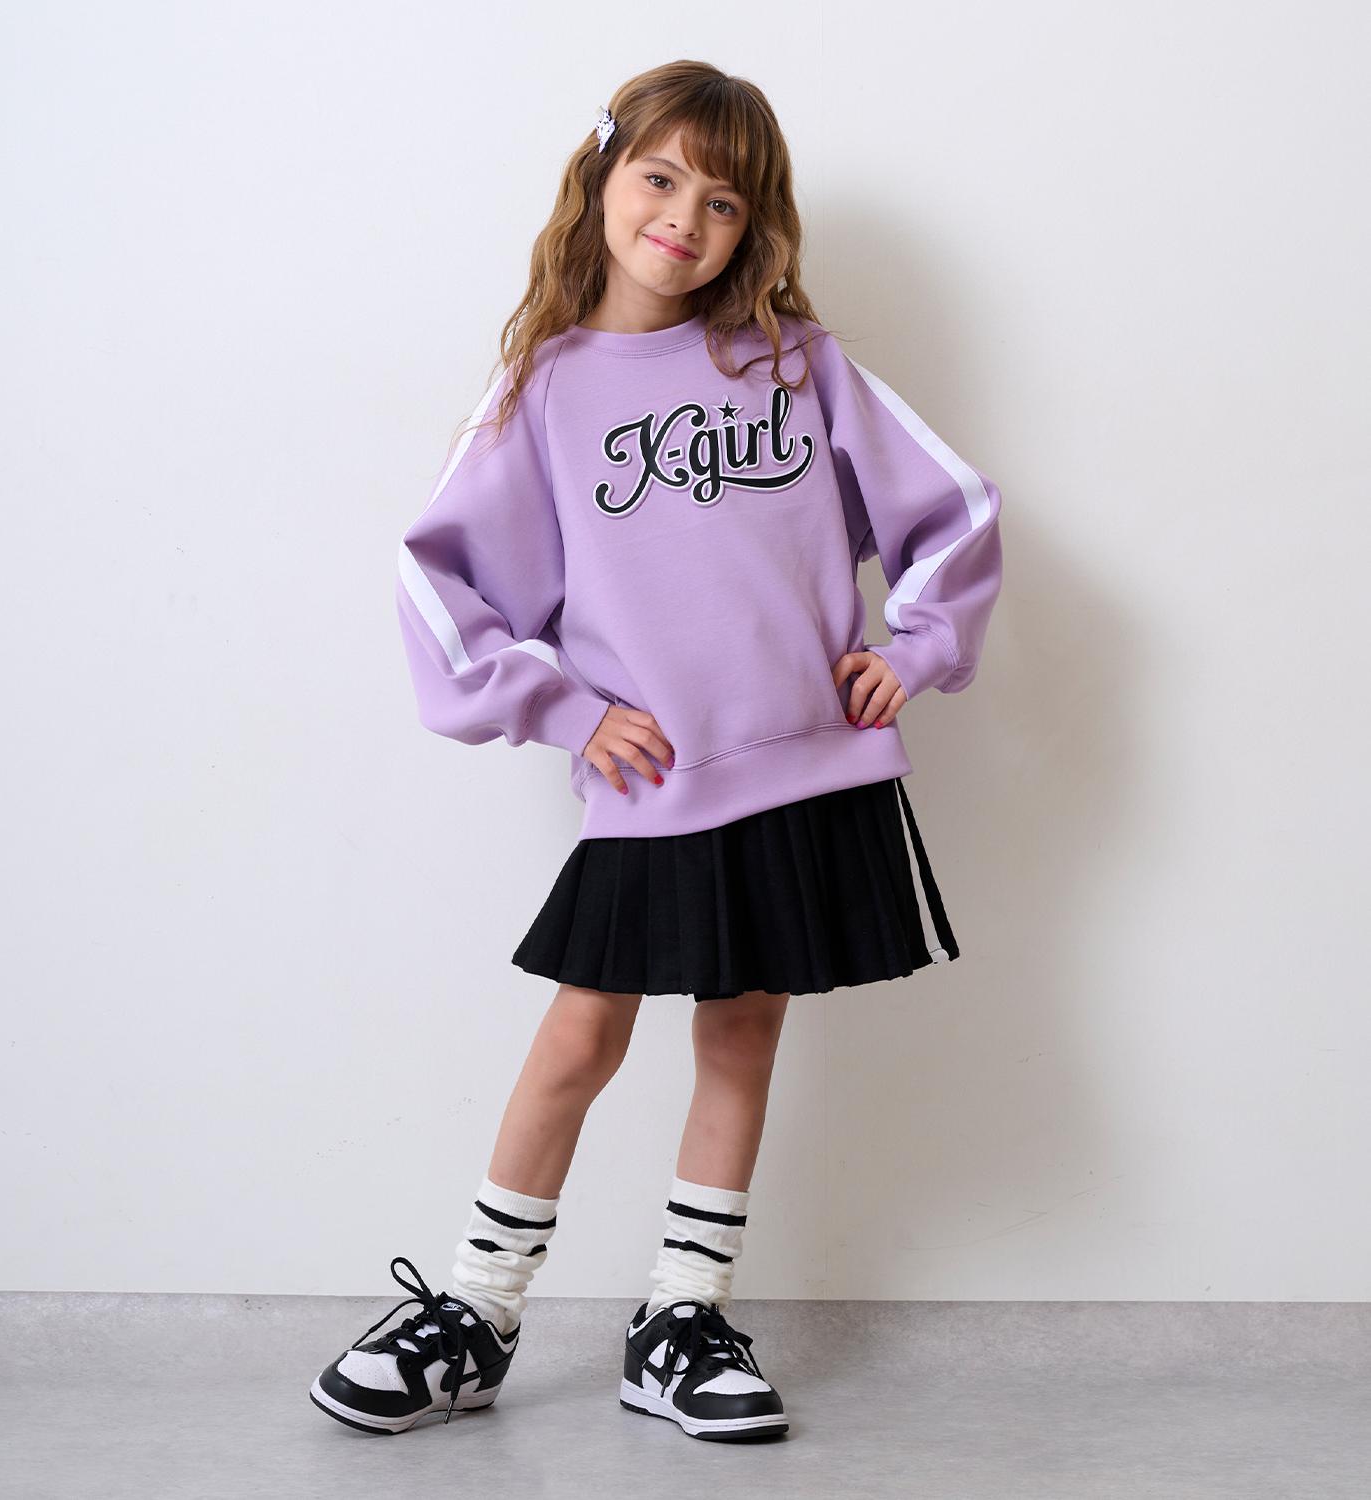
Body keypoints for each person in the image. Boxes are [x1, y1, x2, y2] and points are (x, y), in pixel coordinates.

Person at [310, 59, 1003, 1442]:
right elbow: (437, 581)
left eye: (724, 200)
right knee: (583, 1034)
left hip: (809, 762)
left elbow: (958, 510)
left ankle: (682, 1318)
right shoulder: (545, 391)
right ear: (604, 177)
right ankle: (477, 1310)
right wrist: (567, 708)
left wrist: (917, 647)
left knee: (743, 1032)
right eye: (663, 177)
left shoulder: (797, 364)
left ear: (755, 229)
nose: (686, 217)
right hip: (657, 782)